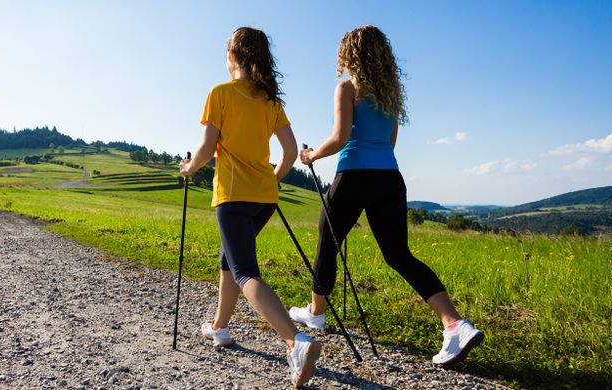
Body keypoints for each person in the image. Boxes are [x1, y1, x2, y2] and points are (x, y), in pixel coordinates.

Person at [289, 25, 484, 366]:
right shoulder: (390, 94)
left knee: (326, 241)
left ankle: (316, 313)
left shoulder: (347, 88)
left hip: (353, 175)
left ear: (350, 55)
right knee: (399, 255)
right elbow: (390, 142)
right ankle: (454, 324)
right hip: (390, 178)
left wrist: (311, 156)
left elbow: (339, 137)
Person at [179, 27, 322, 387]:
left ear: (234, 56)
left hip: (232, 196)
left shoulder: (220, 93)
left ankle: (296, 342)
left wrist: (188, 168)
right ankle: (220, 327)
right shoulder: (272, 101)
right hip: (264, 197)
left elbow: (207, 148)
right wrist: (272, 178)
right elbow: (290, 153)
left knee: (245, 272)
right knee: (229, 260)